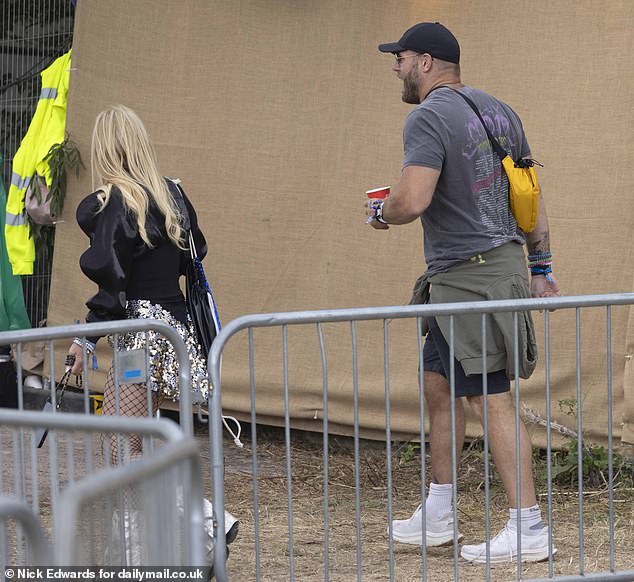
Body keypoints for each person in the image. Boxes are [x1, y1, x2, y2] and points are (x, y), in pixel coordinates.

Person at [367, 23, 561, 563]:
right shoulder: (500, 110)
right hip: (474, 273)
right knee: (438, 385)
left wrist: (382, 212)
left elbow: (413, 198)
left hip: (471, 278)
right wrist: (541, 266)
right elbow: (532, 196)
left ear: (425, 62)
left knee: (488, 396)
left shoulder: (426, 115)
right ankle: (439, 510)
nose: (395, 68)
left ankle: (528, 527)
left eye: (400, 58)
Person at [65, 105, 238, 564]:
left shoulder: (116, 203)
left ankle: (185, 525)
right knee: (129, 438)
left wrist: (85, 340)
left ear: (106, 148)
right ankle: (147, 538)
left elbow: (112, 282)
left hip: (139, 337)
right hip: (175, 334)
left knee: (122, 442)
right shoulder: (174, 196)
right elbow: (193, 254)